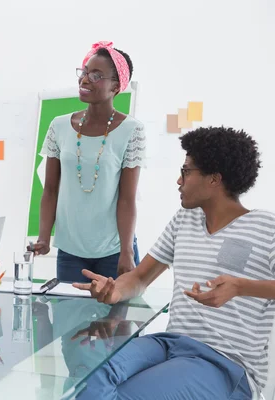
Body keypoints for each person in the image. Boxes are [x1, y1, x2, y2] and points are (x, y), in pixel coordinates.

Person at [73, 126, 271, 399]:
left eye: (186, 172)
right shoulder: (184, 220)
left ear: (214, 179)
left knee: (127, 395)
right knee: (89, 378)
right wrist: (115, 290)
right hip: (169, 343)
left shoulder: (265, 226)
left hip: (224, 362)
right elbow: (140, 278)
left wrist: (240, 287)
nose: (179, 181)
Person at [29, 41, 146, 283]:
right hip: (71, 251)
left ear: (116, 86)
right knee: (69, 319)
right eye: (84, 72)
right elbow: (50, 189)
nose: (85, 80)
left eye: (96, 75)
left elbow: (127, 198)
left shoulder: (131, 130)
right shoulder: (59, 126)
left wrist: (126, 251)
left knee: (114, 320)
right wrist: (43, 237)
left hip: (114, 251)